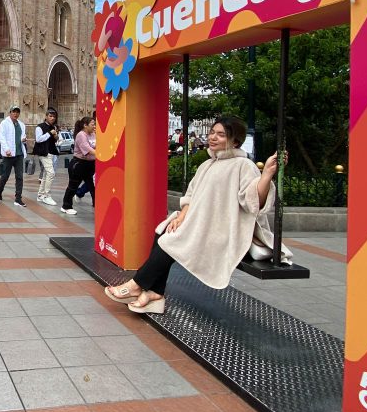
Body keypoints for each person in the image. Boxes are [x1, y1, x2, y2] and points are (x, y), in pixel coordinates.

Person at [104, 115, 287, 315]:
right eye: (212, 133)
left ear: (235, 141)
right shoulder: (207, 165)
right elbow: (191, 196)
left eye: (221, 135)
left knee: (171, 241)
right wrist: (182, 216)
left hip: (221, 230)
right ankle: (155, 294)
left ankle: (137, 285)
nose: (213, 138)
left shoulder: (243, 165)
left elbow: (253, 201)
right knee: (164, 231)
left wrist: (267, 174)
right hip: (200, 224)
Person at [61, 117, 96, 214]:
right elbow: (88, 149)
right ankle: (66, 206)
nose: (94, 126)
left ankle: (97, 204)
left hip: (90, 164)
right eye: (92, 124)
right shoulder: (81, 135)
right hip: (79, 164)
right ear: (85, 125)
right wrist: (100, 154)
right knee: (73, 186)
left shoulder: (93, 134)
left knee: (92, 186)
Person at [0, 105, 27, 207]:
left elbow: (23, 135)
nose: (15, 114)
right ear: (10, 112)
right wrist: (7, 150)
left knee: (19, 177)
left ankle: (18, 199)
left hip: (19, 154)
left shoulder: (21, 124)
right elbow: (2, 137)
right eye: (14, 112)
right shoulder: (4, 123)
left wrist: (23, 138)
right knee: (5, 176)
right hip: (8, 154)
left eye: (17, 112)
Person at [33, 108, 60, 205]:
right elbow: (39, 139)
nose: (52, 118)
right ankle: (46, 195)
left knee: (46, 174)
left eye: (54, 116)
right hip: (43, 153)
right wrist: (49, 133)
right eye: (50, 116)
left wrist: (56, 136)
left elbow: (55, 140)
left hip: (52, 152)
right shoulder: (40, 127)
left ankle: (40, 195)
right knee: (51, 173)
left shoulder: (54, 127)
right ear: (46, 116)